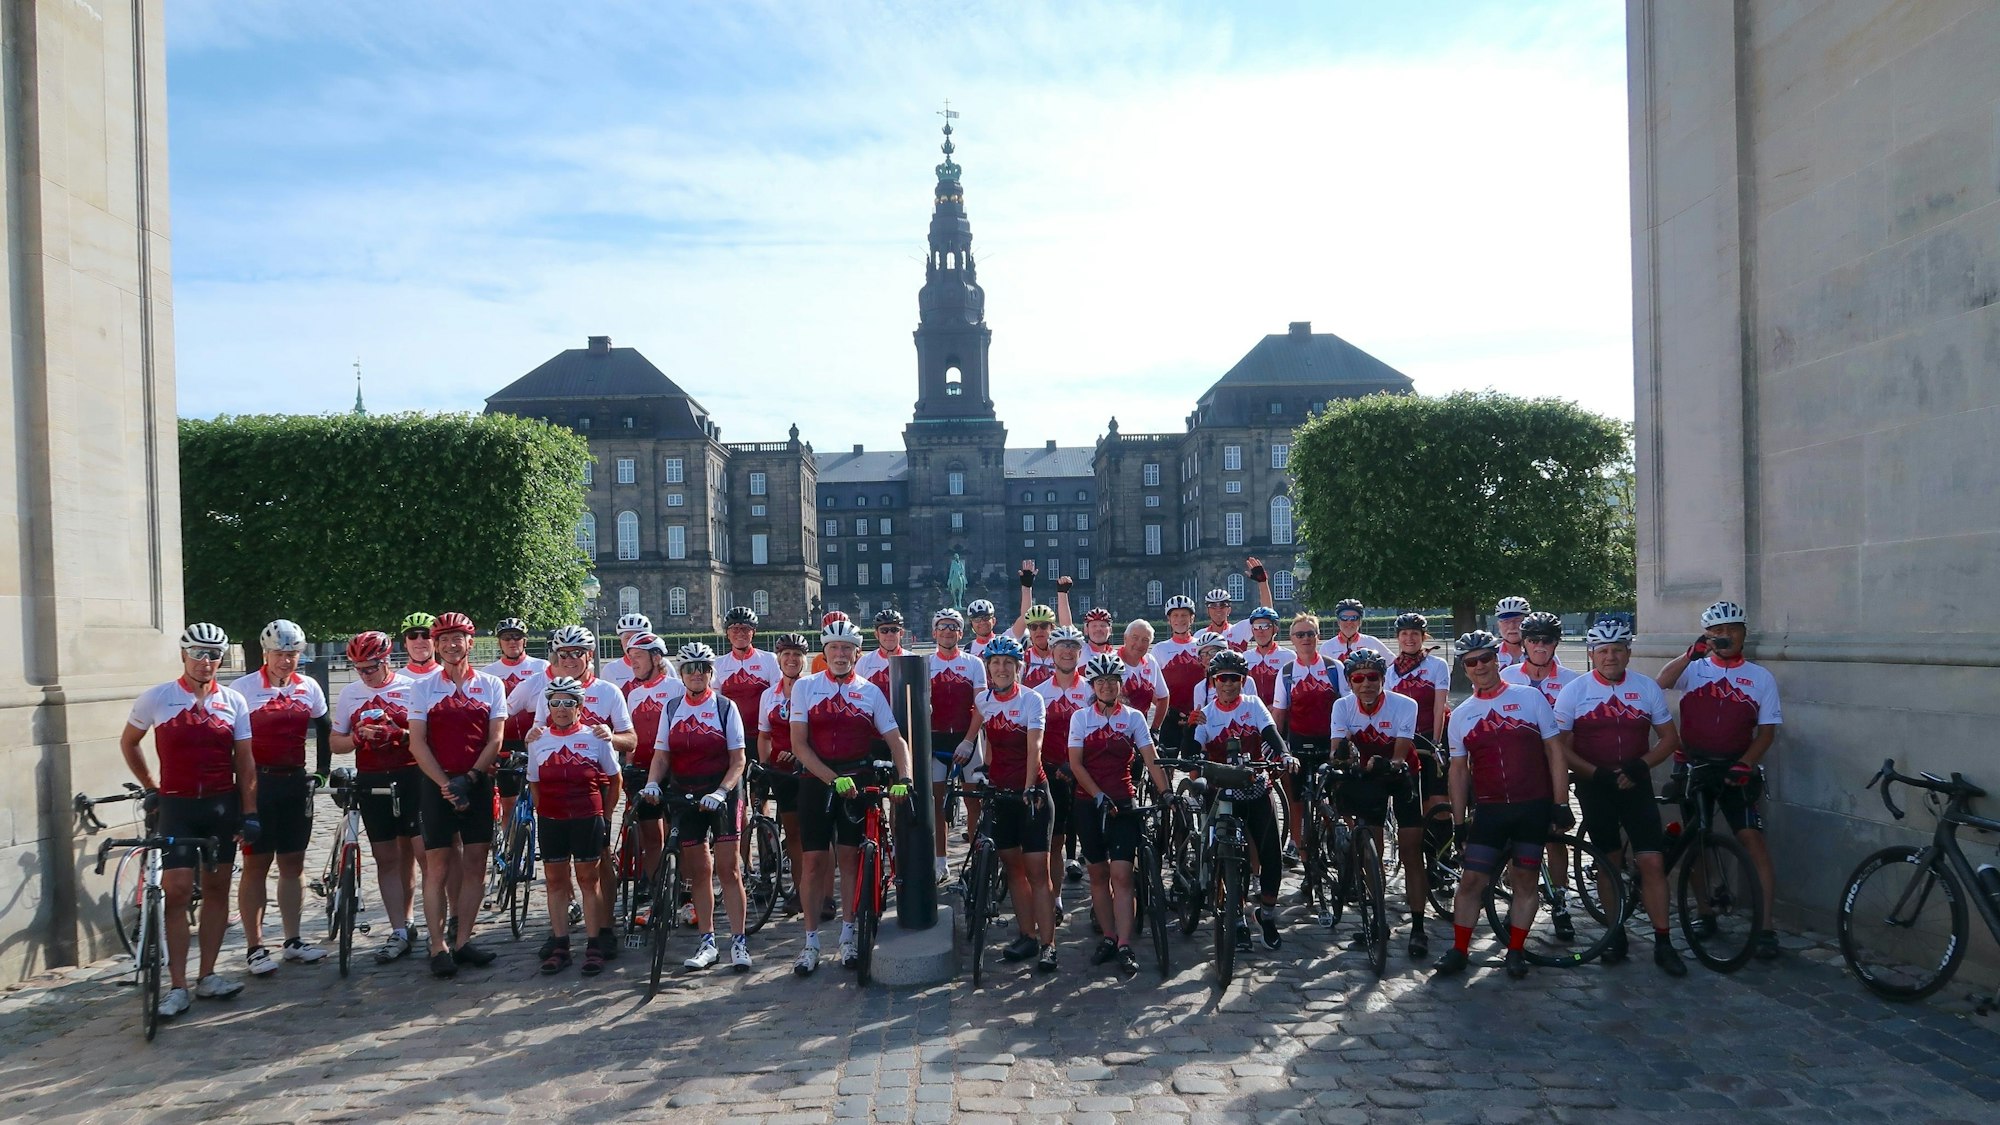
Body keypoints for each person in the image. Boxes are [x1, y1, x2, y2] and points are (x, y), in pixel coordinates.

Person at [119, 623, 256, 1016]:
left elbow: (244, 759)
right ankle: (176, 985)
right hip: (177, 807)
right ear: (184, 655)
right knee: (177, 891)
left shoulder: (233, 700)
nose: (207, 662)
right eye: (199, 654)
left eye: (214, 655)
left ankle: (208, 975)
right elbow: (129, 741)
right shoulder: (158, 698)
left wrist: (249, 811)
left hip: (220, 806)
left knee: (216, 891)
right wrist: (151, 785)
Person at [1432, 631, 1570, 981]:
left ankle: (1516, 950)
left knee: (1525, 882)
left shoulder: (1530, 698)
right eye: (1471, 662)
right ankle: (1460, 950)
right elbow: (1459, 772)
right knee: (1471, 881)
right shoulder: (1462, 715)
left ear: (1497, 659)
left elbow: (1555, 752)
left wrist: (1560, 803)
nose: (1479, 667)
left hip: (1532, 806)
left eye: (1485, 659)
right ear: (1464, 668)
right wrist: (1458, 822)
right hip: (1491, 810)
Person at [1553, 619, 1686, 975]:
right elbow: (1559, 746)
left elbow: (1670, 739)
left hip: (1635, 784)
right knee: (1608, 864)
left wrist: (1640, 767)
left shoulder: (1646, 688)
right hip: (1595, 786)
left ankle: (1664, 941)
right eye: (1603, 651)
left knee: (1652, 862)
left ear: (1628, 653)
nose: (1610, 657)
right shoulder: (1575, 691)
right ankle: (1616, 934)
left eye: (1617, 650)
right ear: (1592, 654)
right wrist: (1593, 773)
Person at [1656, 600, 1784, 960]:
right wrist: (1689, 654)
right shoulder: (1693, 670)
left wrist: (1746, 763)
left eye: (1732, 630)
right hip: (1693, 767)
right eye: (1718, 632)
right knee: (1694, 842)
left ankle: (1766, 926)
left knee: (1752, 841)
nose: (1726, 636)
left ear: (1744, 633)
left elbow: (1767, 733)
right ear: (1706, 636)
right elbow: (1661, 683)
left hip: (1735, 769)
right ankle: (1705, 911)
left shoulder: (1760, 678)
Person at [787, 618, 913, 974]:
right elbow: (799, 744)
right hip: (817, 780)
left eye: (847, 649)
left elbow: (896, 739)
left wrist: (905, 777)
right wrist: (831, 779)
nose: (840, 655)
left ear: (858, 653)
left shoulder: (870, 690)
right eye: (834, 649)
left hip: (859, 779)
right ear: (824, 653)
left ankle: (847, 935)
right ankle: (810, 941)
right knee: (813, 862)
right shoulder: (806, 687)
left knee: (850, 861)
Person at [510, 626, 637, 955]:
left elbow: (631, 739)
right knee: (558, 864)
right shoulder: (547, 691)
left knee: (601, 859)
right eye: (562, 653)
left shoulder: (608, 692)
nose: (568, 659)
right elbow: (539, 733)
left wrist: (609, 736)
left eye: (576, 653)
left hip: (598, 783)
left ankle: (605, 926)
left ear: (589, 656)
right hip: (557, 783)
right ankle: (561, 927)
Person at [406, 612, 508, 977]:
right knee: (438, 865)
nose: (451, 644)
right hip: (437, 784)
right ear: (435, 644)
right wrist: (447, 784)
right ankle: (437, 946)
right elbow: (417, 742)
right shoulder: (423, 687)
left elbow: (495, 739)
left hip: (477, 782)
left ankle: (463, 940)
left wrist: (472, 776)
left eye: (458, 638)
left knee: (476, 863)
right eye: (444, 638)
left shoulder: (491, 684)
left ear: (470, 642)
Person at [641, 643, 753, 972]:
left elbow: (739, 760)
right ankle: (707, 941)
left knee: (729, 871)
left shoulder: (724, 707)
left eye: (702, 667)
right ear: (681, 673)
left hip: (722, 794)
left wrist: (721, 791)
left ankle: (739, 940)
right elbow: (662, 756)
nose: (696, 673)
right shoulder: (672, 707)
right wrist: (652, 782)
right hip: (685, 793)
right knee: (700, 872)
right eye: (690, 668)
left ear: (711, 672)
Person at [230, 619, 330, 975]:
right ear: (265, 653)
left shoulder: (309, 686)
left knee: (293, 863)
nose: (287, 661)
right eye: (280, 654)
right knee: (257, 864)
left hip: (294, 782)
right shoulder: (242, 689)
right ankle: (255, 947)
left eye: (293, 654)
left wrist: (322, 771)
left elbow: (324, 726)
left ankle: (292, 940)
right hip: (258, 783)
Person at [956, 636, 1057, 971]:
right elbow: (971, 738)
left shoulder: (1032, 700)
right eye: (995, 663)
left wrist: (1029, 789)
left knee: (1037, 872)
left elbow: (1035, 749)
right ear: (988, 668)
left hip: (1032, 794)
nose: (1001, 668)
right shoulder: (983, 701)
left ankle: (1048, 944)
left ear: (1017, 668)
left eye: (1007, 664)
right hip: (1000, 793)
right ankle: (1027, 935)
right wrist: (961, 756)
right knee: (1014, 870)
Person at [1070, 653, 1172, 977]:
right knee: (1098, 876)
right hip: (1088, 802)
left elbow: (1150, 758)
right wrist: (1097, 795)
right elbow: (1075, 764)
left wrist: (1167, 792)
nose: (1106, 686)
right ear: (1092, 686)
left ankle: (1125, 942)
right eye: (1100, 682)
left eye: (1112, 681)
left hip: (1123, 802)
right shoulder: (1081, 718)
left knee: (1123, 876)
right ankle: (1109, 937)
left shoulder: (1133, 717)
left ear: (1119, 684)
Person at [1189, 650, 1295, 952]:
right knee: (1226, 857)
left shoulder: (1253, 704)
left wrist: (1285, 755)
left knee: (1270, 852)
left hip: (1255, 788)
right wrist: (1190, 738)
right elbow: (1195, 748)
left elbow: (1271, 733)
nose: (1228, 684)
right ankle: (1235, 915)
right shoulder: (1206, 712)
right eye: (1222, 678)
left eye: (1234, 678)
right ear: (1213, 681)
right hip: (1221, 793)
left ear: (1243, 681)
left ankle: (1268, 914)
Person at [329, 631, 425, 962]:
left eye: (370, 668)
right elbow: (335, 742)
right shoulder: (351, 694)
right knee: (386, 858)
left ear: (386, 661)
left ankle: (441, 924)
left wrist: (400, 734)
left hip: (410, 775)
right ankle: (399, 929)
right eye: (359, 668)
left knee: (424, 853)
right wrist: (356, 738)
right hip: (371, 779)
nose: (365, 675)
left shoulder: (411, 688)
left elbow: (428, 737)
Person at [1327, 649, 1421, 954]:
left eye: (1372, 678)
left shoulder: (1404, 704)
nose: (1366, 684)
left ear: (1382, 679)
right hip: (1367, 776)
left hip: (1400, 773)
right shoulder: (1342, 707)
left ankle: (1418, 927)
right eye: (1358, 679)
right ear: (1350, 683)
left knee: (1411, 851)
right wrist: (1339, 759)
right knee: (1371, 851)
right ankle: (1378, 917)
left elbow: (1399, 755)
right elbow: (1336, 750)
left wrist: (1387, 764)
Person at [527, 676, 620, 974]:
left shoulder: (595, 737)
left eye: (569, 702)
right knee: (555, 882)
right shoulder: (538, 739)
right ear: (548, 706)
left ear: (580, 707)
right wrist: (545, 812)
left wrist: (605, 816)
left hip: (587, 817)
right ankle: (560, 945)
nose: (562, 708)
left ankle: (593, 945)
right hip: (552, 819)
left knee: (588, 881)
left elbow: (615, 780)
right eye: (555, 702)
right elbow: (534, 782)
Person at [1500, 611, 1581, 939]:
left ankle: (1560, 902)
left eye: (1547, 640)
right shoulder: (1507, 675)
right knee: (1514, 838)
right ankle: (1518, 903)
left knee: (1554, 837)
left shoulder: (1573, 680)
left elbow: (1576, 729)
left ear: (1556, 643)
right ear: (1524, 642)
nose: (1540, 646)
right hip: (1515, 768)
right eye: (1533, 640)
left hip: (1553, 767)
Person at [618, 632, 684, 923]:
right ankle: (659, 893)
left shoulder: (675, 687)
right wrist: (629, 766)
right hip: (643, 771)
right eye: (631, 658)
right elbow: (633, 735)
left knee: (681, 835)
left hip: (675, 770)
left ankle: (687, 891)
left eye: (639, 658)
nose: (633, 663)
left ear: (656, 659)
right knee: (650, 838)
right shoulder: (633, 692)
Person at [1032, 625, 1092, 907]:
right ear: (1052, 652)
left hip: (1088, 773)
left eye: (1073, 647)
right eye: (1061, 646)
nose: (1067, 651)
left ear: (1080, 653)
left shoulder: (1093, 689)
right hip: (1052, 772)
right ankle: (1055, 898)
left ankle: (1099, 900)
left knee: (1094, 842)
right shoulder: (1038, 693)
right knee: (1055, 842)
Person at [925, 608, 985, 882]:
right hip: (936, 739)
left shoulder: (974, 663)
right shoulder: (925, 663)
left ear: (961, 633)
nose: (948, 631)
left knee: (974, 802)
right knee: (938, 803)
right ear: (935, 632)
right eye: (943, 627)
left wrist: (969, 741)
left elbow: (981, 706)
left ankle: (975, 859)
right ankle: (940, 861)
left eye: (953, 627)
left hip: (967, 737)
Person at [1279, 614, 1343, 860]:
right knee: (1297, 799)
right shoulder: (1286, 672)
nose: (1305, 638)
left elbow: (1345, 705)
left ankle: (1339, 843)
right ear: (1292, 639)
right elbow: (1280, 711)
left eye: (1310, 634)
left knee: (1334, 799)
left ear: (1318, 636)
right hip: (1298, 742)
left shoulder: (1333, 667)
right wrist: (1278, 746)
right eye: (1300, 635)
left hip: (1328, 742)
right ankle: (1298, 846)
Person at [756, 633, 811, 914]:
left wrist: (801, 753)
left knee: (813, 834)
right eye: (786, 655)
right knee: (793, 834)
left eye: (797, 655)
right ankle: (800, 890)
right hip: (782, 773)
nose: (791, 660)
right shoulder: (770, 695)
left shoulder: (813, 688)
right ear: (778, 659)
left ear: (805, 659)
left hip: (810, 771)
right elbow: (764, 735)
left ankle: (815, 892)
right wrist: (766, 764)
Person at [481, 617, 548, 834]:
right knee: (509, 802)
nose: (512, 642)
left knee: (542, 799)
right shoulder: (489, 672)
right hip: (505, 740)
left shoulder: (541, 667)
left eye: (517, 637)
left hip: (536, 739)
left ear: (525, 641)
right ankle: (511, 851)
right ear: (499, 642)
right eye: (507, 638)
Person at [714, 606, 781, 731]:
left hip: (763, 732)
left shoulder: (769, 659)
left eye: (745, 629)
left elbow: (777, 697)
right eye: (735, 629)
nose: (740, 633)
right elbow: (716, 701)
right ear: (727, 633)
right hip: (731, 731)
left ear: (753, 632)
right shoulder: (718, 664)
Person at [1153, 595, 1206, 750]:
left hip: (1199, 716)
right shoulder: (1160, 649)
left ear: (1192, 618)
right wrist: (1167, 710)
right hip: (1171, 717)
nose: (1180, 620)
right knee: (1166, 765)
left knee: (1198, 766)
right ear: (1169, 619)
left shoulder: (1202, 645)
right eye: (1175, 615)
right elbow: (1152, 686)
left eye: (1184, 615)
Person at [1200, 557, 1275, 650]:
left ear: (1229, 610)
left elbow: (1266, 615)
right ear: (1207, 610)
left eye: (1223, 605)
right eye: (1213, 606)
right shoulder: (1199, 635)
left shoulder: (1239, 630)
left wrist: (1263, 583)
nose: (1218, 609)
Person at [1241, 607, 1292, 725]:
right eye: (1256, 627)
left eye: (1265, 626)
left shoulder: (1289, 657)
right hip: (1251, 718)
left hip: (1281, 718)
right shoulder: (1245, 657)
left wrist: (1278, 706)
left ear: (1275, 628)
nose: (1260, 631)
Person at [601, 612, 671, 689]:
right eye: (627, 638)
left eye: (637, 637)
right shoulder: (610, 670)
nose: (632, 642)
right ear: (620, 640)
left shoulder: (663, 664)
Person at [856, 607, 910, 700]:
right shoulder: (864, 662)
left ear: (901, 633)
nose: (889, 634)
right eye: (884, 630)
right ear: (876, 634)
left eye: (894, 630)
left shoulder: (912, 660)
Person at [1318, 599, 1392, 665]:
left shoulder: (1372, 642)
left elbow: (1393, 664)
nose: (1349, 622)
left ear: (1360, 622)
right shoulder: (1326, 648)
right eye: (1344, 618)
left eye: (1354, 618)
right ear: (1338, 621)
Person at [1491, 597, 1532, 670]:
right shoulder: (1490, 655)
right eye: (1506, 621)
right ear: (1499, 625)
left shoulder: (1542, 652)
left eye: (1517, 620)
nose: (1512, 626)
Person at [399, 612, 439, 679]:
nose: (419, 640)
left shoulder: (450, 678)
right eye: (412, 635)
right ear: (405, 643)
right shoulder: (396, 680)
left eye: (426, 635)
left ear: (436, 642)